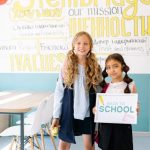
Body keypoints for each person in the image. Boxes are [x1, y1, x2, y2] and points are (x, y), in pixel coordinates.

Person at [51, 31, 103, 150]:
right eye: (79, 43)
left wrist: (99, 110)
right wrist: (56, 116)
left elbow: (100, 91)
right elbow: (59, 91)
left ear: (90, 47)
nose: (82, 46)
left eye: (86, 43)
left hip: (88, 113)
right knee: (63, 146)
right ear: (73, 45)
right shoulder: (66, 66)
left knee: (89, 146)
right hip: (69, 112)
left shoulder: (95, 67)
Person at [94, 53, 140, 150]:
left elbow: (136, 107)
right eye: (108, 67)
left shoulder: (130, 85)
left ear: (122, 67)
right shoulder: (105, 87)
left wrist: (136, 110)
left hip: (122, 129)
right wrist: (96, 110)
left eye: (115, 66)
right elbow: (99, 107)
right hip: (106, 129)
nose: (112, 70)